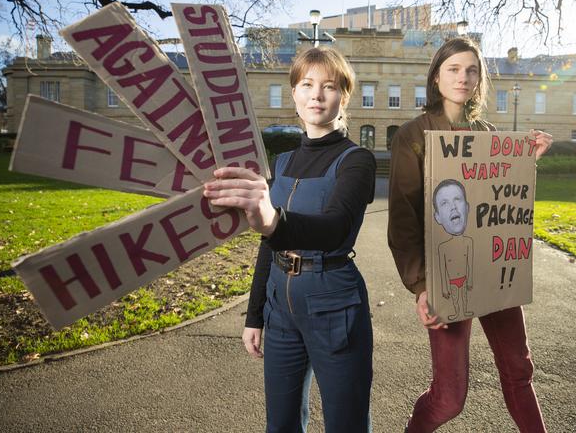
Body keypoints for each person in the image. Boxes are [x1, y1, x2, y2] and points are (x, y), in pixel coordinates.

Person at [203, 46, 376, 433]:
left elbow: (335, 226)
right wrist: (254, 315)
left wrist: (273, 221)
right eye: (307, 84)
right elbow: (271, 244)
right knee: (279, 425)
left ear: (343, 96)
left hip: (334, 304)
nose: (316, 95)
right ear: (294, 93)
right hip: (280, 309)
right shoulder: (281, 163)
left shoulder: (356, 160)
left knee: (346, 424)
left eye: (329, 86)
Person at [387, 36, 552, 433]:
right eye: (454, 69)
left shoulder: (488, 132)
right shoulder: (412, 135)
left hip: (493, 268)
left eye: (471, 70)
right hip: (446, 275)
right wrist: (421, 284)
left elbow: (502, 202)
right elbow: (403, 221)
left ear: (479, 79)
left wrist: (527, 159)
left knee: (518, 370)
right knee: (449, 397)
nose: (463, 77)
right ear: (437, 77)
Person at [432, 179, 474, 321]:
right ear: (437, 217)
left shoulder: (469, 242)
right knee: (455, 299)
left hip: (464, 278)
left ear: (467, 208)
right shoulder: (442, 247)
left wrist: (470, 280)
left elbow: (470, 263)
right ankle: (457, 312)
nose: (453, 207)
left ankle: (466, 310)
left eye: (457, 200)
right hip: (452, 281)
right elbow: (442, 270)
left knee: (465, 298)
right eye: (444, 203)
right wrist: (444, 287)